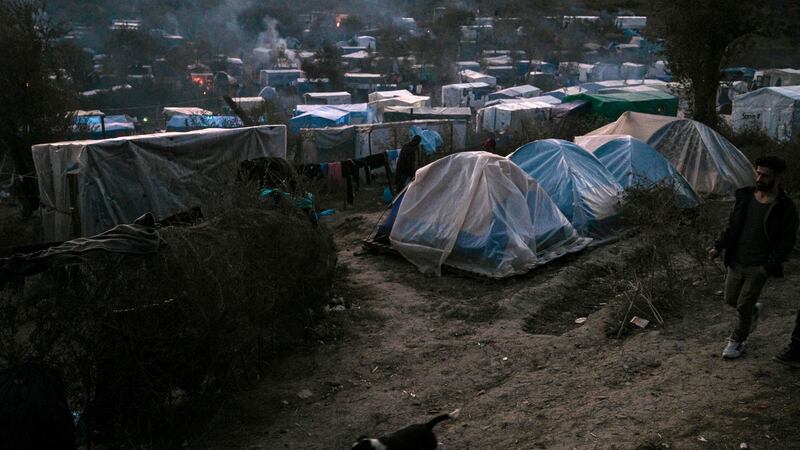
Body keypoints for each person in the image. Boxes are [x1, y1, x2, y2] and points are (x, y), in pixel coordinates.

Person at [708, 156, 798, 360]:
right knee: (731, 299)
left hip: (758, 266)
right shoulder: (745, 196)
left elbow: (787, 241)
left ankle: (737, 341)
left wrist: (768, 267)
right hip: (736, 261)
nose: (759, 178)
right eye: (758, 173)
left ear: (777, 177)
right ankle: (754, 311)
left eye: (765, 176)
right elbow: (732, 225)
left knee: (743, 305)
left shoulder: (785, 207)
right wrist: (718, 246)